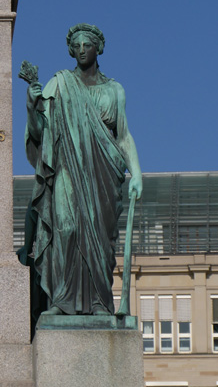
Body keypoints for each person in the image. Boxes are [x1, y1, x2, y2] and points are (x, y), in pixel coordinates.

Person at [24, 23, 142, 318]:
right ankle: (62, 300)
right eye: (75, 46)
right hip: (67, 166)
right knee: (66, 227)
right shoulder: (59, 84)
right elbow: (40, 134)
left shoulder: (115, 89)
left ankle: (100, 302)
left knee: (101, 241)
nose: (80, 50)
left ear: (98, 48)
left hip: (103, 172)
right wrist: (32, 105)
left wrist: (137, 173)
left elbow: (123, 136)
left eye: (86, 45)